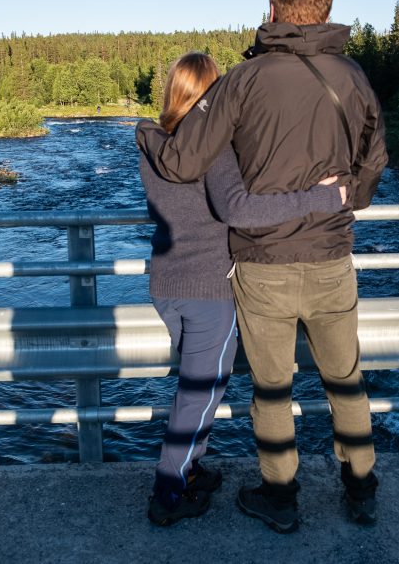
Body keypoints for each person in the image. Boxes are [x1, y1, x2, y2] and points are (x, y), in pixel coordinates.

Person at [137, 0, 389, 533]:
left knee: (272, 390)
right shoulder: (353, 77)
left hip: (263, 264)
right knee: (345, 379)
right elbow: (374, 164)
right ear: (325, 9)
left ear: (272, 10)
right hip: (331, 256)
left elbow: (182, 160)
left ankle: (281, 499)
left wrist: (152, 133)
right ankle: (361, 490)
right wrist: (347, 194)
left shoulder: (243, 82)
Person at [136, 52, 347, 526]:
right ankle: (168, 494)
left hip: (165, 283)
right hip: (209, 288)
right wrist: (321, 196)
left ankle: (188, 470)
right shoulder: (214, 148)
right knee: (201, 392)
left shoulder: (153, 142)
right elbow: (239, 210)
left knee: (192, 388)